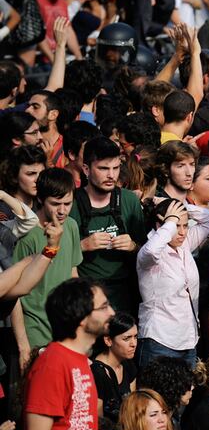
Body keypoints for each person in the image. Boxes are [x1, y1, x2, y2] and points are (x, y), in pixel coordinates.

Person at [15, 278, 136, 430]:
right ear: (81, 318)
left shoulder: (80, 362)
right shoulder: (52, 363)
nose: (111, 313)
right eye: (104, 307)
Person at [137, 198, 209, 367]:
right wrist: (170, 221)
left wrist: (180, 207)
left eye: (185, 225)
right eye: (177, 226)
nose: (182, 232)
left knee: (187, 393)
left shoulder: (184, 245)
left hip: (189, 340)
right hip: (159, 341)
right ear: (160, 226)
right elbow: (152, 250)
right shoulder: (148, 252)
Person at [70, 136, 146, 317]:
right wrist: (82, 246)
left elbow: (148, 252)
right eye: (103, 168)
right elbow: (54, 254)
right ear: (86, 169)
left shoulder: (129, 200)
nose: (111, 175)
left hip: (125, 293)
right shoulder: (71, 202)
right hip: (87, 295)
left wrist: (133, 246)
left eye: (116, 168)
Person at [12, 167, 81, 363]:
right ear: (41, 199)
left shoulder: (72, 226)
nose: (62, 210)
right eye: (55, 204)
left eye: (67, 203)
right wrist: (23, 346)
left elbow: (72, 272)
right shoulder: (28, 237)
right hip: (36, 332)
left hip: (66, 330)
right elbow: (14, 294)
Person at [91, 312, 138, 422]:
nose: (134, 343)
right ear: (108, 340)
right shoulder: (97, 372)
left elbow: (132, 408)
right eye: (127, 338)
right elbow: (99, 421)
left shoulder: (128, 364)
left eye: (135, 337)